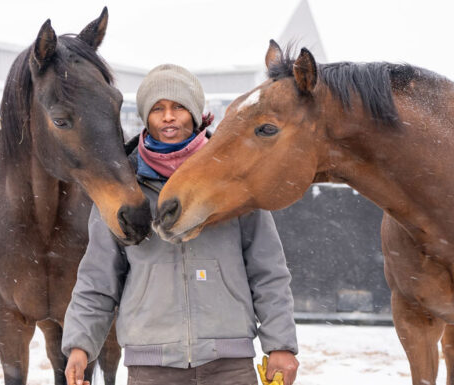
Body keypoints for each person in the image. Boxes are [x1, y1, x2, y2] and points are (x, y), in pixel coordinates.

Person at [62, 64, 299, 385]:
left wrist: (280, 345)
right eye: (158, 109)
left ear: (195, 114)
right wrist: (80, 344)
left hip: (229, 363)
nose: (169, 117)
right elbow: (97, 279)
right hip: (151, 366)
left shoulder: (233, 180)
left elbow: (268, 271)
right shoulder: (124, 190)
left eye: (178, 107)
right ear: (146, 117)